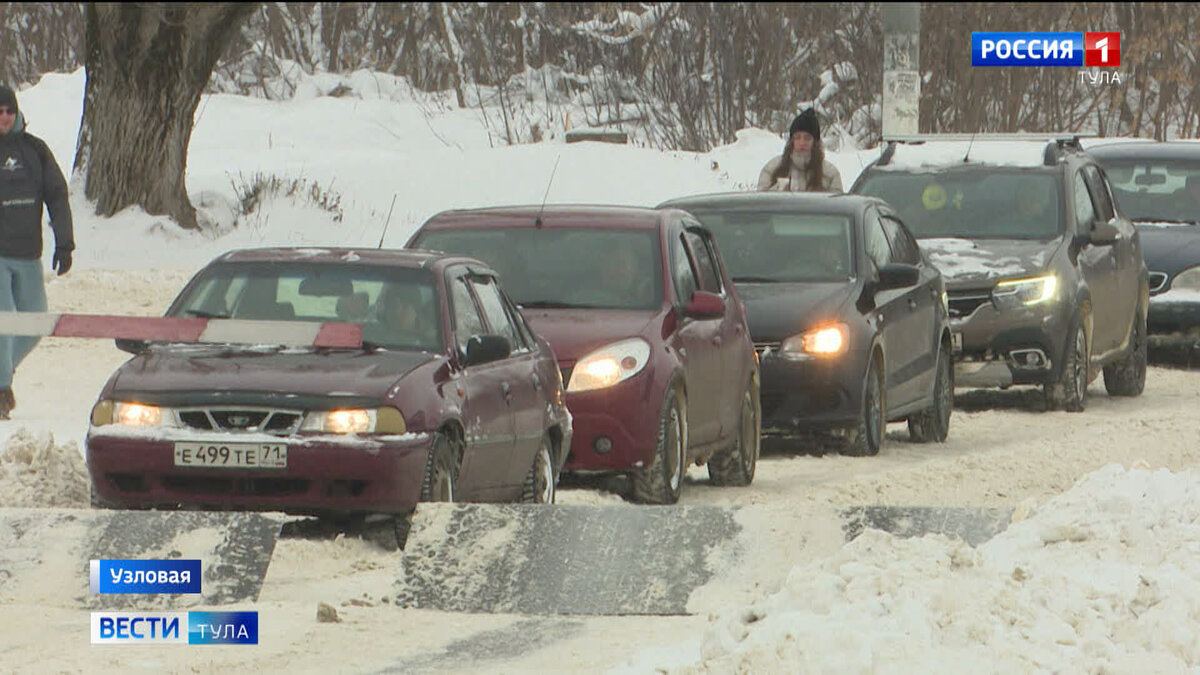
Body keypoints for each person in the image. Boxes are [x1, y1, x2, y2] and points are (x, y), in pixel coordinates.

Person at [0, 85, 74, 419]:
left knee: (36, 322)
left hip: (29, 254)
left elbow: (57, 195)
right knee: (5, 322)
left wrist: (65, 241)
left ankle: (2, 373)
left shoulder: (35, 150)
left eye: (8, 111)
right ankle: (2, 391)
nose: (4, 117)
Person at [757, 108, 843, 193]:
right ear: (791, 140)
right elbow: (760, 202)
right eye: (797, 138)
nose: (802, 143)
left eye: (807, 138)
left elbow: (837, 205)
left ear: (815, 142)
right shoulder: (772, 168)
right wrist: (778, 191)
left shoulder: (830, 173)